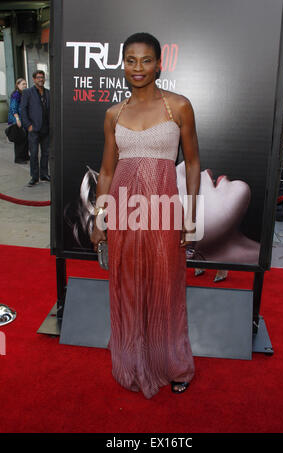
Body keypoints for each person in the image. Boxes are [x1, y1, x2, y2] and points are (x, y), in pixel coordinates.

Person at [90, 32, 200, 399]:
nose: (138, 68)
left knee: (166, 285)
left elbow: (194, 163)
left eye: (146, 60)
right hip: (123, 210)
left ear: (159, 63)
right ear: (123, 65)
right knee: (127, 284)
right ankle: (132, 356)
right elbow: (106, 172)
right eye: (131, 61)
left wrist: (192, 214)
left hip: (164, 208)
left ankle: (173, 363)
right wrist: (99, 217)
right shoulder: (113, 113)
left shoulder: (179, 106)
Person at [20, 70, 50, 187]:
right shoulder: (28, 92)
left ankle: (44, 174)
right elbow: (23, 110)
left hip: (46, 128)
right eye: (38, 77)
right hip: (33, 128)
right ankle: (34, 177)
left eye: (42, 77)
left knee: (46, 153)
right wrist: (28, 125)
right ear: (34, 79)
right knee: (33, 153)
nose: (40, 79)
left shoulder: (48, 92)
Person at [7, 78, 30, 164]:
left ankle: (25, 156)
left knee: (25, 138)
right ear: (18, 85)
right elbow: (13, 108)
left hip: (23, 119)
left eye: (26, 84)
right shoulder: (16, 94)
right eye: (23, 84)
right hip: (17, 119)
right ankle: (19, 158)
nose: (25, 85)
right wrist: (17, 119)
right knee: (20, 139)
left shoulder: (23, 93)